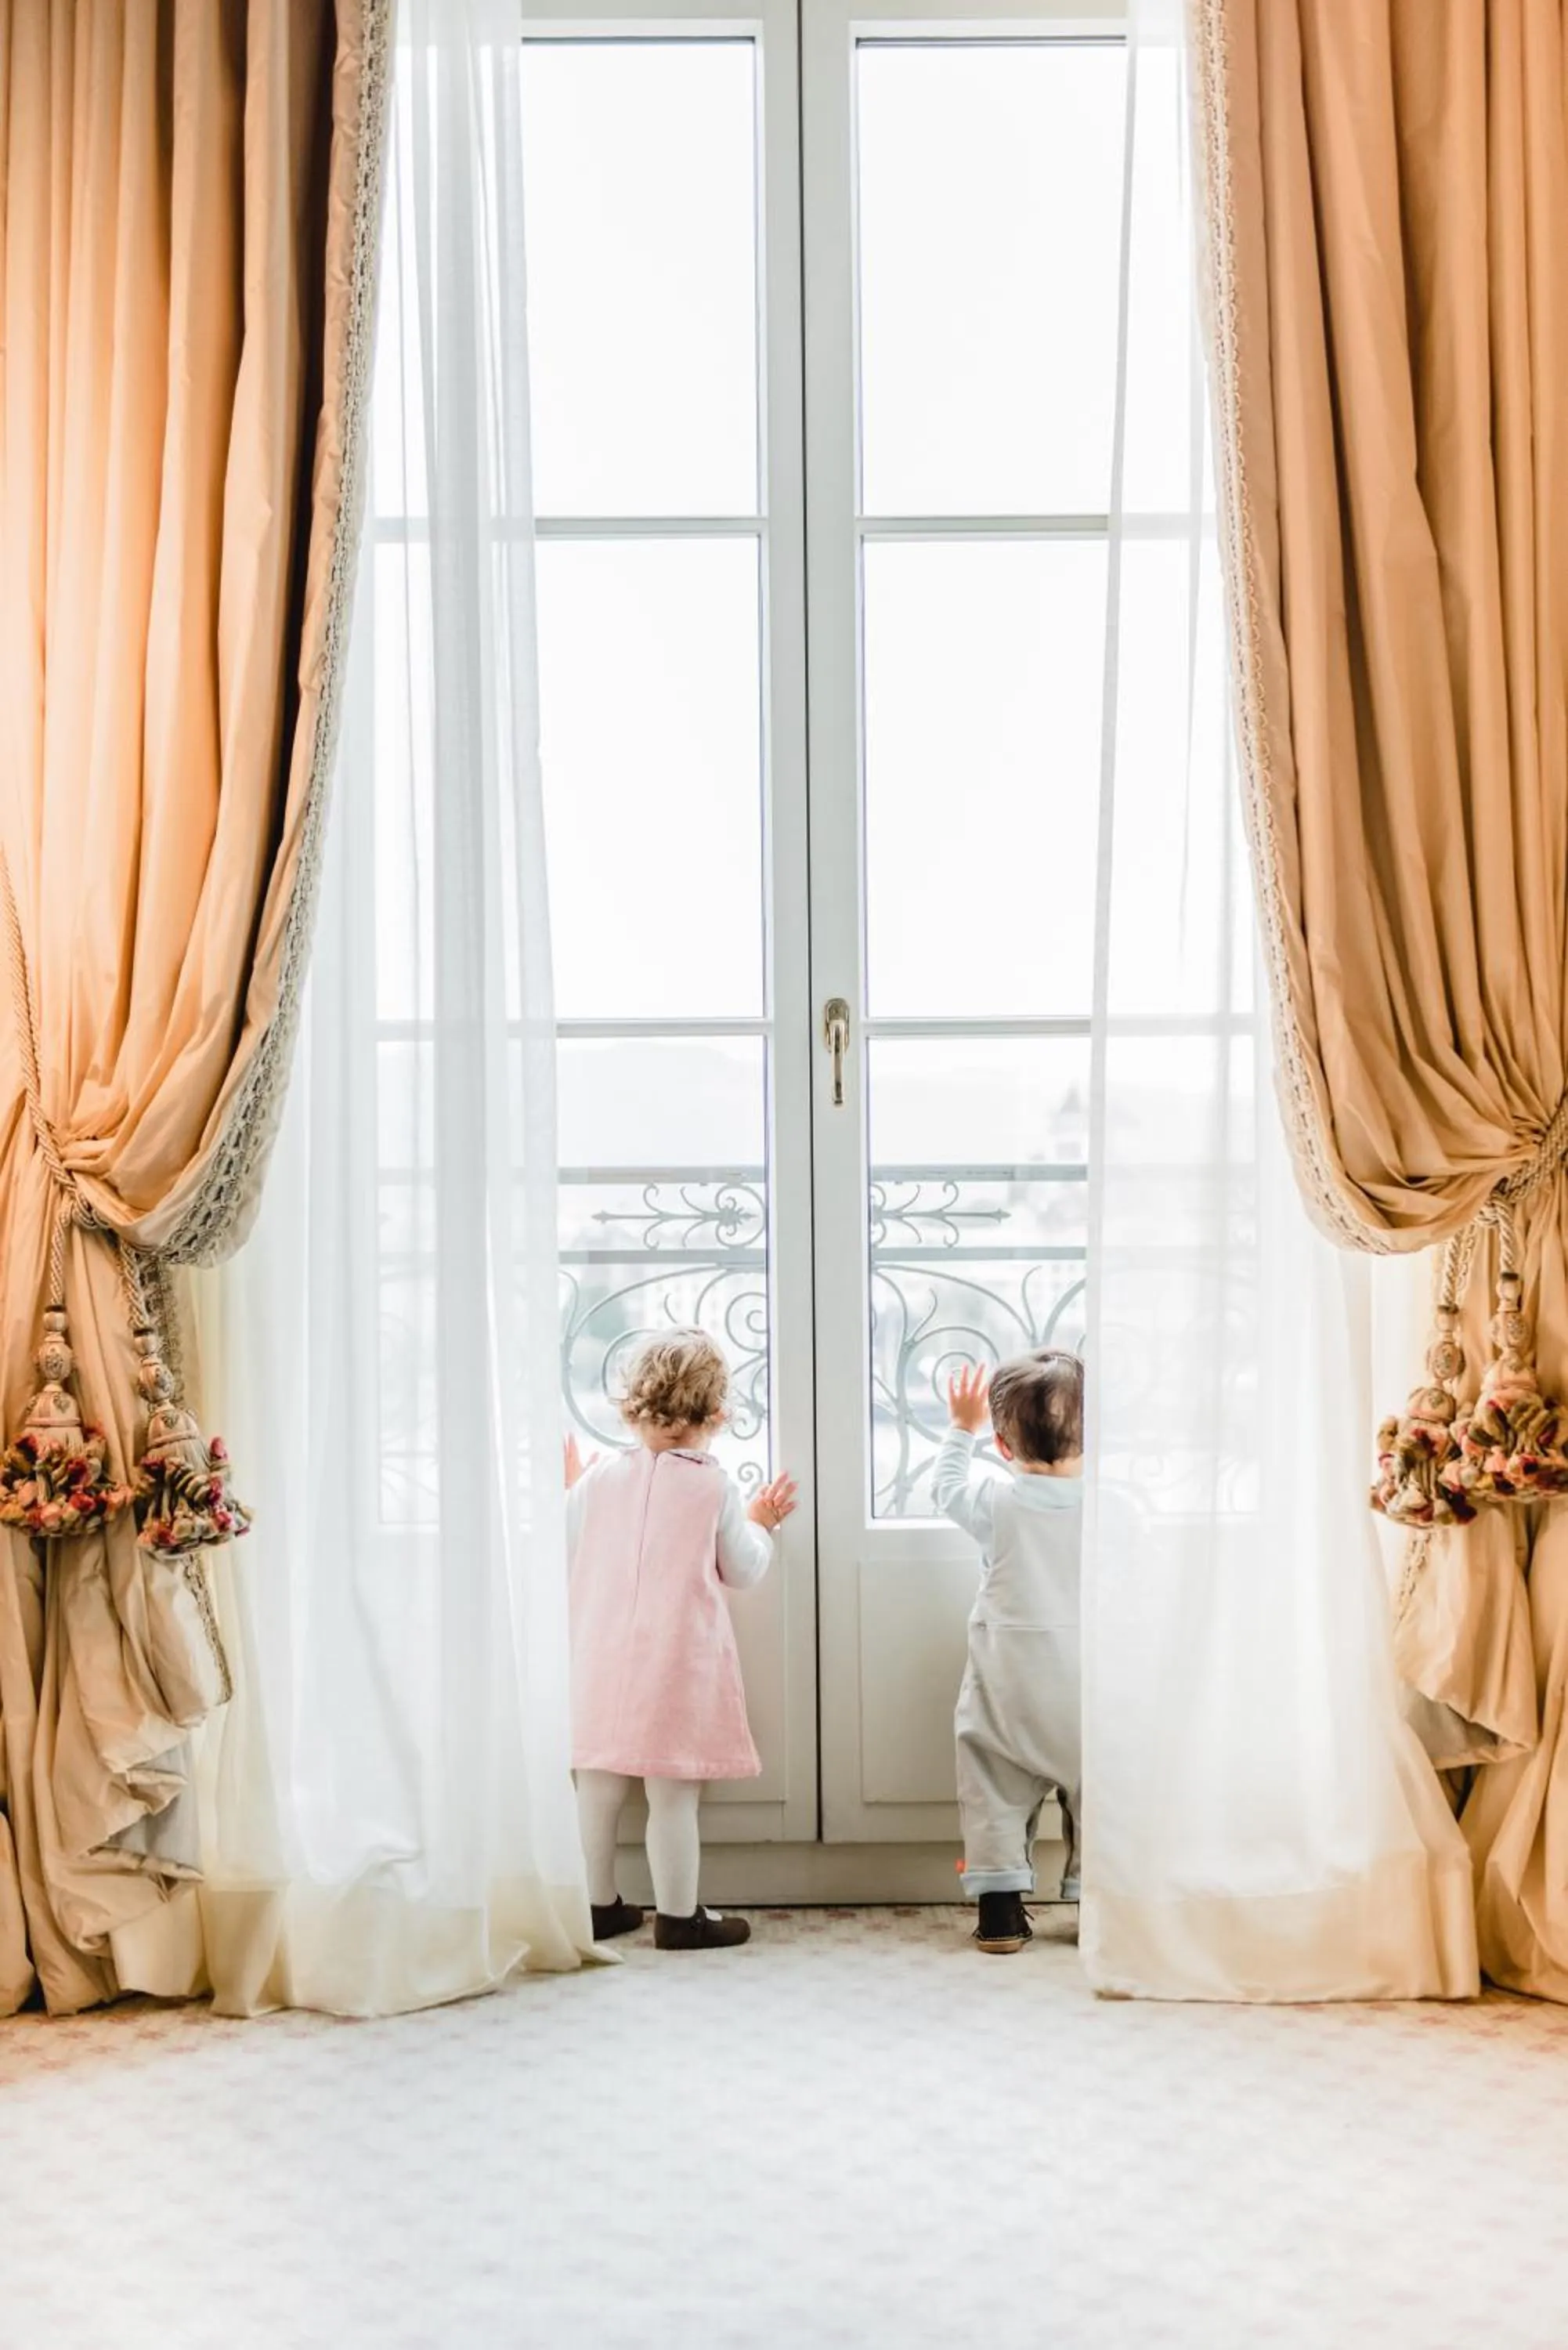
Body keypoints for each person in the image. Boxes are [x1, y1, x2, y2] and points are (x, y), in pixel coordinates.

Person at [565, 1329, 797, 1952]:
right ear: (717, 1416)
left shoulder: (599, 1480)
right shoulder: (712, 1486)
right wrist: (761, 1523)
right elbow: (743, 1569)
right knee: (672, 1797)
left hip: (599, 1662)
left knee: (597, 1790)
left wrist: (570, 1488)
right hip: (675, 1665)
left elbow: (567, 1549)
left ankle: (596, 1906)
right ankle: (677, 1917)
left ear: (631, 1409)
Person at [935, 1350, 1084, 1955]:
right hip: (1086, 1691)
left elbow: (946, 1489)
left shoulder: (997, 1503)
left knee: (992, 1790)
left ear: (1002, 1445)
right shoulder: (1112, 1508)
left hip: (1008, 1691)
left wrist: (959, 1428)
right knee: (1101, 1793)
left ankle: (1000, 1913)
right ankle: (1094, 1905)